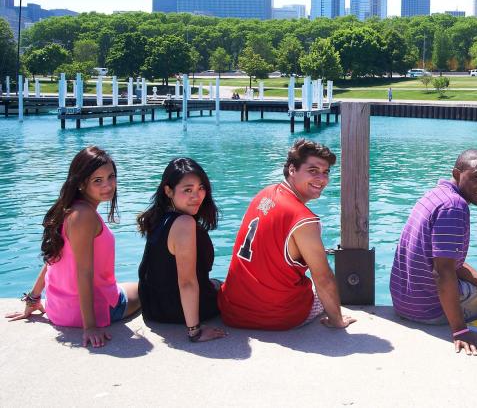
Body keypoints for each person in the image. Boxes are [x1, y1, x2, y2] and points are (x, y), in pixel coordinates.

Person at [6, 146, 141, 347]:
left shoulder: (67, 210)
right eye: (98, 180)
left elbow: (54, 258)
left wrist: (34, 297)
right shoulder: (84, 216)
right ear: (81, 183)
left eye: (111, 176)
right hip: (88, 312)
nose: (108, 185)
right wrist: (90, 327)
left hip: (58, 309)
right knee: (147, 288)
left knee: (122, 285)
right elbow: (84, 272)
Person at [218, 139, 354, 330]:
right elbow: (323, 279)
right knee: (322, 288)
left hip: (232, 310)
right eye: (313, 171)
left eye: (325, 172)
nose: (322, 179)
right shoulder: (304, 220)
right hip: (278, 315)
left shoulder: (264, 194)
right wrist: (337, 321)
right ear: (292, 169)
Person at [390, 149, 477, 356]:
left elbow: (447, 262)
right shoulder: (455, 207)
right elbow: (443, 273)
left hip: (403, 303)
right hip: (428, 311)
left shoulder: (435, 195)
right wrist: (460, 330)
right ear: (457, 174)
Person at [136, 158, 227, 343]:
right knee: (228, 288)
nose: (197, 196)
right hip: (175, 311)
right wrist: (195, 331)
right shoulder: (184, 223)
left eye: (201, 188)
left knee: (217, 283)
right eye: (188, 190)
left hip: (153, 307)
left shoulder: (159, 218)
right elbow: (187, 282)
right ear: (168, 190)